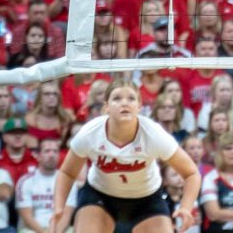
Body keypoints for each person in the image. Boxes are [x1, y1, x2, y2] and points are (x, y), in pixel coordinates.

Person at [50, 78, 200, 233]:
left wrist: (186, 207)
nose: (125, 103)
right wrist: (59, 207)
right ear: (106, 107)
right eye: (117, 98)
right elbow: (67, 172)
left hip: (147, 200)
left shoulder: (153, 134)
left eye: (131, 98)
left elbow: (191, 173)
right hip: (99, 196)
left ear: (139, 106)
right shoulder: (90, 133)